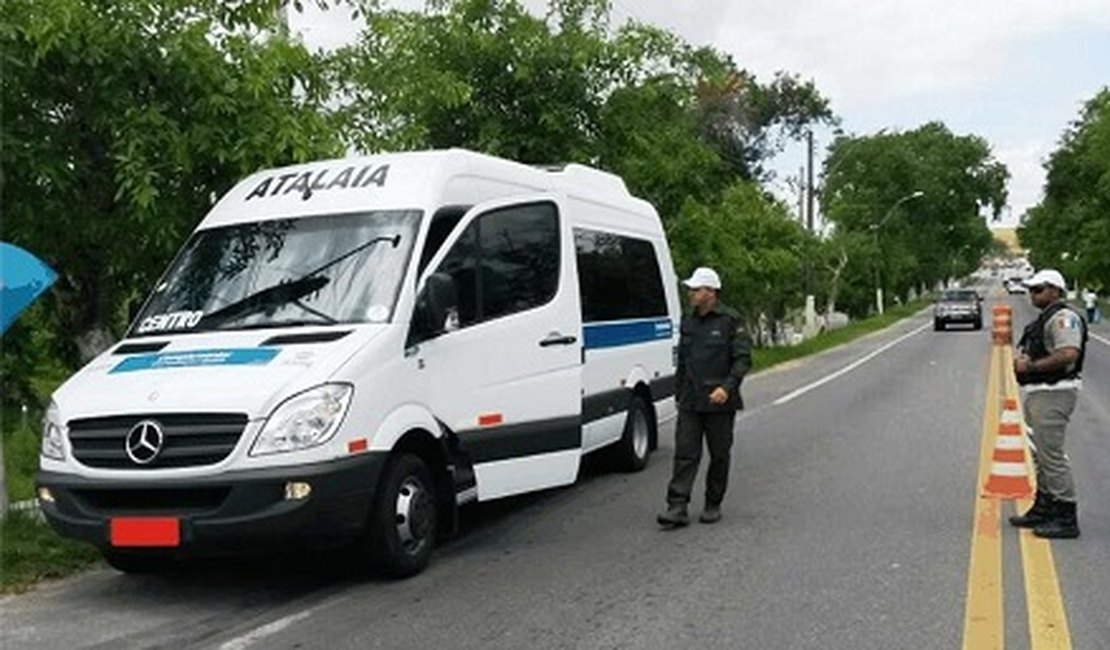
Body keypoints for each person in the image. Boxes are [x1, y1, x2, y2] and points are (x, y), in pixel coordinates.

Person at [657, 267, 752, 527]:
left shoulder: (731, 320)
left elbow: (742, 359)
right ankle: (677, 506)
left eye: (695, 290)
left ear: (710, 292)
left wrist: (727, 387)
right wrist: (678, 392)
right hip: (690, 399)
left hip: (719, 399)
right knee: (685, 453)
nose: (690, 294)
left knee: (719, 454)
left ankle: (713, 503)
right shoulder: (688, 321)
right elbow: (684, 361)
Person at [1009, 269, 1088, 539]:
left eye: (1039, 289)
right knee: (1039, 454)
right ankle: (1045, 506)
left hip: (1055, 392)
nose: (1033, 294)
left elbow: (1068, 354)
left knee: (1051, 455)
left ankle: (1066, 515)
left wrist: (1030, 365)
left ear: (1056, 290)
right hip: (1040, 392)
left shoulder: (1064, 318)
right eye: (1031, 289)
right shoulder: (1046, 318)